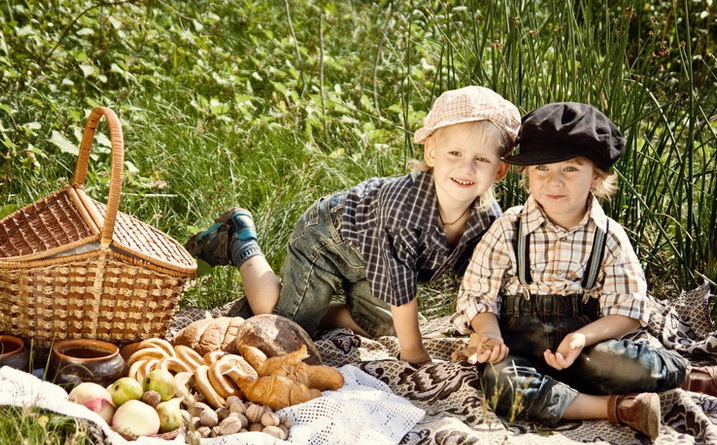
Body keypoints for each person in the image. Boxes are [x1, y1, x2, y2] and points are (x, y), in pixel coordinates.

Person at [452, 102, 717, 438]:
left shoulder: (608, 237)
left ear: (597, 177)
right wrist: (490, 335)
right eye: (542, 169)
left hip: (587, 350)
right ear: (526, 173)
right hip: (520, 349)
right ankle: (618, 408)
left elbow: (629, 310)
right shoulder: (508, 229)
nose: (554, 182)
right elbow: (478, 296)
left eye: (571, 170)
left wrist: (581, 337)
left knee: (621, 364)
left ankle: (688, 377)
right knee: (498, 382)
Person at [185, 86, 521, 365]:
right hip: (329, 239)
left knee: (388, 329)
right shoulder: (410, 209)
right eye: (455, 154)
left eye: (481, 159)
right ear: (431, 151)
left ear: (500, 171)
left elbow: (478, 284)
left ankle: (315, 308)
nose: (466, 169)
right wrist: (416, 354)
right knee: (286, 326)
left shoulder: (487, 217)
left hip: (371, 266)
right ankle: (239, 240)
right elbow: (399, 288)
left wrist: (483, 334)